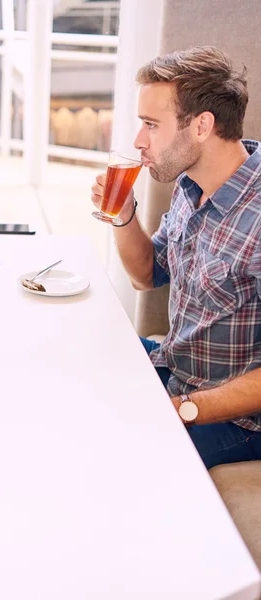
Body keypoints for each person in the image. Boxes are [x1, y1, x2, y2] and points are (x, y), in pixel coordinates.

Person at [91, 46, 261, 469]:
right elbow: (147, 275)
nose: (138, 141)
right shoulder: (190, 186)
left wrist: (183, 409)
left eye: (151, 125)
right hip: (174, 367)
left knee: (109, 457)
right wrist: (123, 214)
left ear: (202, 125)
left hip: (235, 420)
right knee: (75, 353)